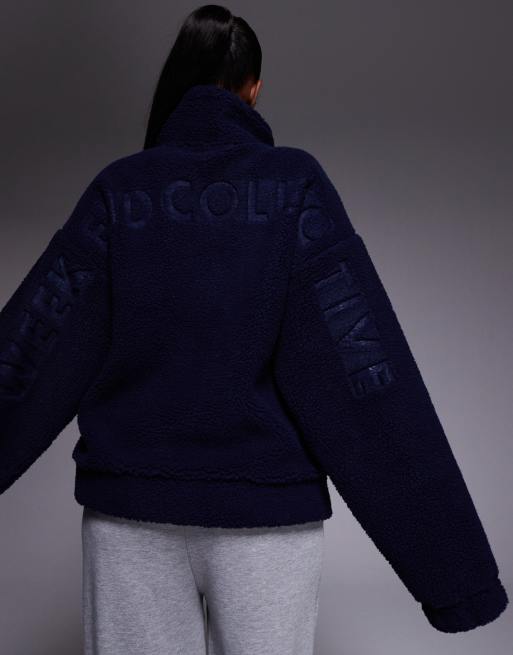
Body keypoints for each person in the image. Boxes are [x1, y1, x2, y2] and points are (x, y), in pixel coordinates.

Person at [0, 4, 508, 654]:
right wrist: (457, 580)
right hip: (266, 524)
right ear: (254, 89)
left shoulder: (118, 191)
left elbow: (30, 351)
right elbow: (365, 376)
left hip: (129, 517)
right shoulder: (294, 187)